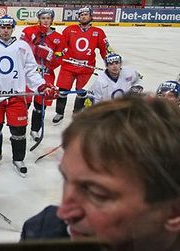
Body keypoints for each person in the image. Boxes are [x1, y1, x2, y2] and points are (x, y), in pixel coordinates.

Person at [21, 95, 180, 251]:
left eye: (97, 194)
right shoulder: (42, 232)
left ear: (173, 212)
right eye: (65, 179)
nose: (64, 213)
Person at [0, 15, 59, 176]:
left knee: (19, 130)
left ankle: (18, 159)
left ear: (13, 28)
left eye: (8, 27)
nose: (5, 30)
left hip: (17, 97)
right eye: (2, 27)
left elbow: (31, 70)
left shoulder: (22, 46)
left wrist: (42, 85)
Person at [53, 7, 112, 124]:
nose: (84, 17)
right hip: (68, 66)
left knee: (82, 92)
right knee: (63, 91)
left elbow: (105, 50)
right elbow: (61, 46)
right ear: (78, 17)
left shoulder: (98, 32)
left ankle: (77, 113)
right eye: (81, 15)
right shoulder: (69, 30)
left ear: (90, 16)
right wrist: (58, 54)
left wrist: (109, 63)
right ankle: (59, 112)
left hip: (86, 68)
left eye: (86, 14)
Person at [20, 8, 63, 141]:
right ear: (39, 19)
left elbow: (59, 59)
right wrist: (33, 47)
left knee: (41, 104)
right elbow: (20, 49)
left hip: (46, 74)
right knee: (23, 102)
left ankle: (35, 130)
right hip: (28, 73)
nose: (45, 20)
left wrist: (50, 57)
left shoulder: (58, 38)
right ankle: (19, 128)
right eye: (43, 18)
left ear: (52, 20)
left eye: (48, 18)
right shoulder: (28, 31)